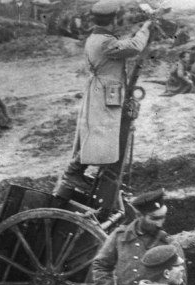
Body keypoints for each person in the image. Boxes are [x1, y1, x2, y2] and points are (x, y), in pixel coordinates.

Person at [55, 0, 152, 196]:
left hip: (105, 90)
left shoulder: (97, 37)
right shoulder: (105, 41)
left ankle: (77, 172)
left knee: (100, 133)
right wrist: (146, 28)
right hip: (104, 92)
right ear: (113, 19)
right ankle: (72, 172)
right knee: (99, 133)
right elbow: (134, 47)